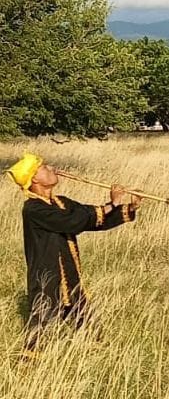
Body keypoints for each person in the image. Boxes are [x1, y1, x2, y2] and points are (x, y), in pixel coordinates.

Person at [6, 153, 141, 360]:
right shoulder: (33, 209)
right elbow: (72, 222)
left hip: (69, 271)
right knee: (41, 317)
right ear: (35, 179)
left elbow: (91, 218)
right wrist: (112, 204)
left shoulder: (61, 202)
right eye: (43, 167)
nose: (51, 168)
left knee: (82, 312)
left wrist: (127, 207)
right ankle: (28, 364)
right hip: (47, 274)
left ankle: (96, 354)